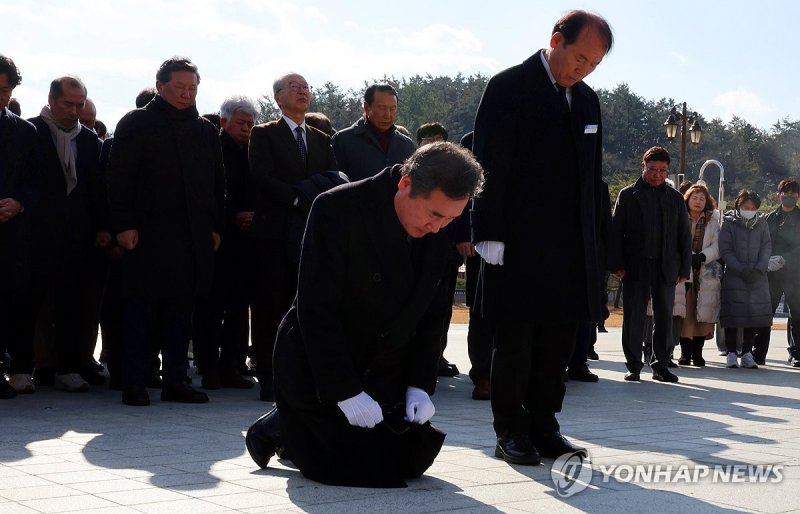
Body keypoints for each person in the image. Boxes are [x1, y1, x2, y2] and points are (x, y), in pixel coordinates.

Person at [245, 142, 484, 487]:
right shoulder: (336, 209)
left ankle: (291, 423)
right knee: (358, 469)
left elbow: (432, 315)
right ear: (406, 184)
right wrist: (344, 391)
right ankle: (282, 426)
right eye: (435, 215)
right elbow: (316, 310)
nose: (439, 227)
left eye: (452, 219)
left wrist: (419, 384)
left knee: (410, 459)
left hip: (383, 365)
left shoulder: (438, 228)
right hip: (319, 365)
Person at [472, 10, 613, 465]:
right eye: (580, 58)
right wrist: (488, 232)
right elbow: (488, 164)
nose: (583, 69)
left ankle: (545, 424)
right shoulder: (509, 87)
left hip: (571, 246)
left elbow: (593, 180)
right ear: (556, 39)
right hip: (518, 239)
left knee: (558, 342)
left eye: (594, 64)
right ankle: (510, 429)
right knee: (516, 339)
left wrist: (599, 244)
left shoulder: (588, 102)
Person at [108, 56, 225, 406]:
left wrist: (215, 226)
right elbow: (118, 178)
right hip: (146, 235)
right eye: (179, 87)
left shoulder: (204, 130)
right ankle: (134, 381)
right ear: (160, 87)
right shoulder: (137, 123)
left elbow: (218, 183)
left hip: (191, 237)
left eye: (192, 88)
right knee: (141, 310)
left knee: (180, 312)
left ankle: (176, 380)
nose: (187, 94)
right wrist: (122, 224)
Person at [248, 72, 338, 401]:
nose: (301, 92)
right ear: (278, 98)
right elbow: (261, 177)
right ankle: (269, 376)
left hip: (309, 232)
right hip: (274, 233)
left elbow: (331, 178)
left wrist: (312, 199)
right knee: (271, 304)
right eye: (293, 87)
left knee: (304, 306)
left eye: (305, 87)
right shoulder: (264, 134)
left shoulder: (320, 138)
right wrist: (298, 198)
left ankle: (299, 374)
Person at [24, 76, 106, 393]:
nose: (73, 111)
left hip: (77, 238)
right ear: (51, 100)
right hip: (35, 235)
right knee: (33, 304)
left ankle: (69, 367)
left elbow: (96, 192)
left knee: (73, 303)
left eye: (79, 105)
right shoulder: (30, 133)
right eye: (67, 104)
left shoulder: (89, 142)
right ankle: (33, 365)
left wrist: (101, 229)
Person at [610, 146, 692, 383]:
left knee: (665, 316)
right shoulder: (628, 195)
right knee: (634, 316)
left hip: (666, 267)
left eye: (662, 170)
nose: (657, 174)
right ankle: (633, 365)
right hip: (635, 266)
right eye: (652, 169)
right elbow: (617, 233)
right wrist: (617, 264)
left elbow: (683, 237)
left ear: (668, 171)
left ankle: (661, 365)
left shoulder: (676, 198)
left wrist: (683, 269)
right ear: (643, 167)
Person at [193, 94, 257, 390]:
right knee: (211, 306)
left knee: (239, 306)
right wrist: (231, 217)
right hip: (218, 238)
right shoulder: (211, 147)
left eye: (250, 123)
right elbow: (208, 192)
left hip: (246, 240)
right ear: (223, 121)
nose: (246, 128)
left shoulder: (254, 151)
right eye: (241, 122)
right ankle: (208, 368)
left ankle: (233, 364)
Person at [0, 54, 37, 399]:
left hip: (10, 237)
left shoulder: (25, 132)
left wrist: (19, 202)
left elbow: (37, 181)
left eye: (4, 90)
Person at [719, 189, 772, 369]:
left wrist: (759, 269)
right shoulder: (729, 223)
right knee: (733, 316)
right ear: (738, 205)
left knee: (753, 315)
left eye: (752, 207)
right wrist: (740, 270)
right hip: (735, 276)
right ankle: (732, 352)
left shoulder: (762, 223)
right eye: (745, 206)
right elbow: (725, 250)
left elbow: (766, 247)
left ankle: (747, 353)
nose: (748, 209)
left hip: (757, 277)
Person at [331, 84, 415, 181]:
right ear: (367, 107)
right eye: (382, 108)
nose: (388, 115)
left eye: (392, 109)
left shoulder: (406, 145)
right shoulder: (343, 140)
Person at [677, 184, 721, 367]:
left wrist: (703, 256)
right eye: (694, 197)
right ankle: (685, 353)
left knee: (703, 312)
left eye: (702, 199)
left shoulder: (712, 220)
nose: (698, 202)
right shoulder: (680, 217)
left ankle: (698, 353)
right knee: (685, 314)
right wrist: (687, 256)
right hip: (683, 272)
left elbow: (718, 245)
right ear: (687, 199)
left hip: (705, 272)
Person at [764, 178, 800, 366]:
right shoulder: (769, 218)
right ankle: (758, 351)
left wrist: (786, 258)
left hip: (796, 274)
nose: (789, 197)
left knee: (797, 314)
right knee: (765, 312)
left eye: (793, 194)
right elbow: (763, 243)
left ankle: (796, 353)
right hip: (772, 273)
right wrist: (767, 260)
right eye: (785, 194)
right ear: (778, 195)